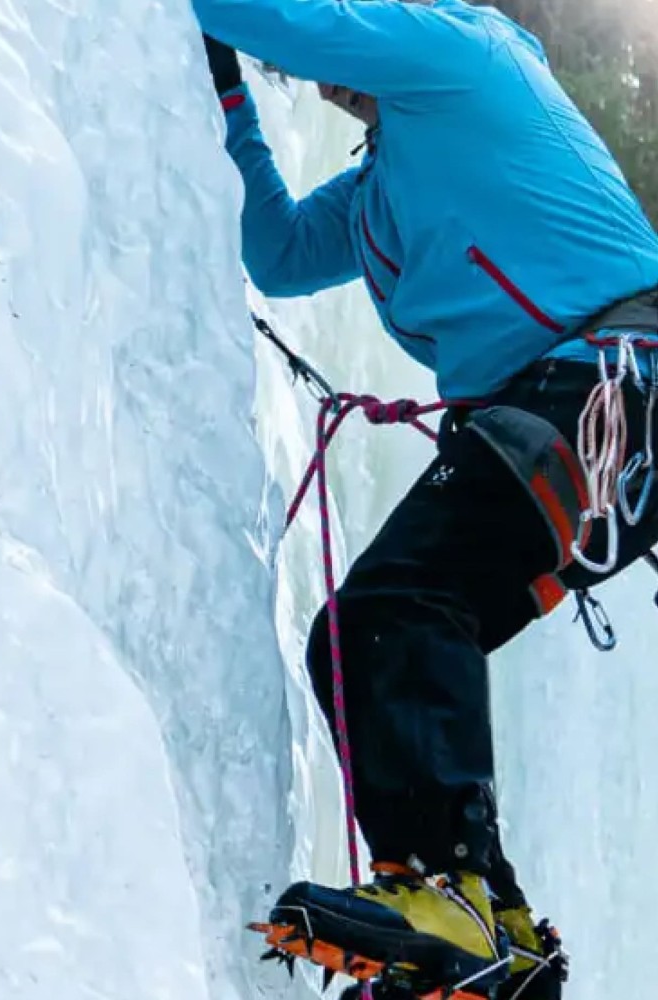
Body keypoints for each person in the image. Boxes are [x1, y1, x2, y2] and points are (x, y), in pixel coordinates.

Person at [194, 1, 658, 996]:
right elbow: (276, 252)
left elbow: (281, 22)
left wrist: (223, 29)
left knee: (393, 613)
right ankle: (493, 936)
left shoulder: (461, 54)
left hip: (604, 381)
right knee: (374, 636)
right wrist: (227, 94)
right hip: (576, 411)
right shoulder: (373, 196)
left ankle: (449, 893)